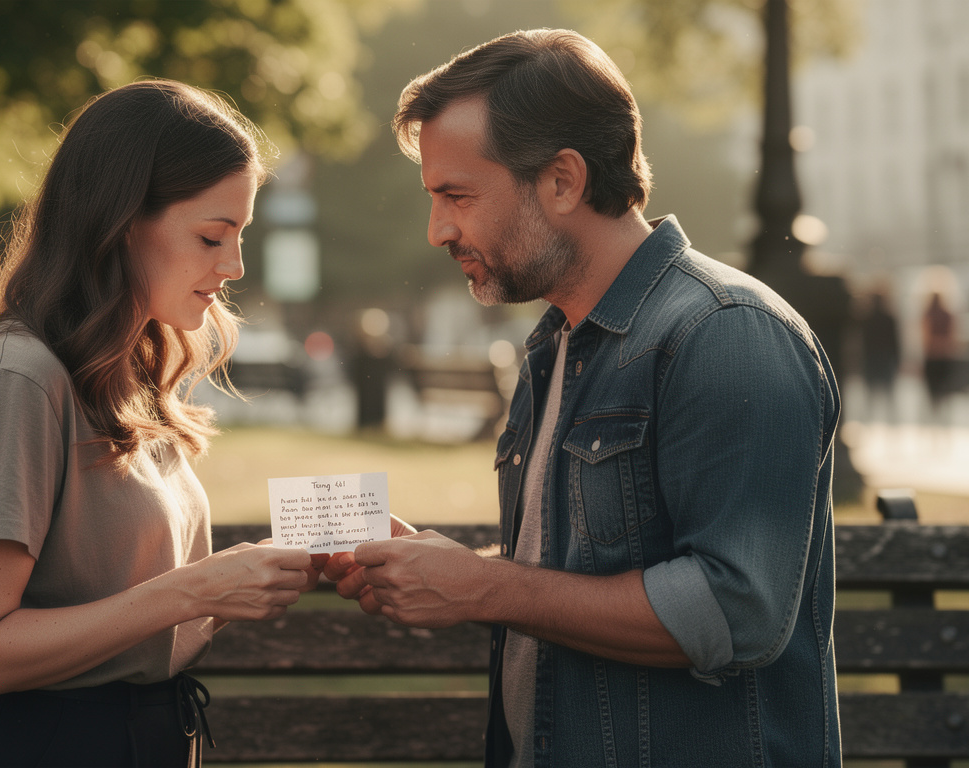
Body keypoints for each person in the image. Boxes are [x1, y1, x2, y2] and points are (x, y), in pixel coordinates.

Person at [323, 29, 842, 766]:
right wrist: (446, 571)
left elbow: (735, 612)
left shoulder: (726, 334)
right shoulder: (559, 343)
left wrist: (486, 589)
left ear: (563, 180)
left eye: (457, 195)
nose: (438, 229)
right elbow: (586, 567)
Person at [0, 80, 322, 768]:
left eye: (240, 236)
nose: (234, 266)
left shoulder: (125, 372)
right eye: (211, 236)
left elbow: (124, 607)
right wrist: (194, 589)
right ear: (120, 222)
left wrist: (253, 577)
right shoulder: (18, 379)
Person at [859, 287, 901, 423]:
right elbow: (895, 343)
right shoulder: (889, 318)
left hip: (870, 359)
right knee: (889, 397)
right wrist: (898, 361)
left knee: (870, 396)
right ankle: (891, 424)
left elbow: (861, 343)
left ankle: (869, 423)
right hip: (885, 360)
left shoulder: (865, 319)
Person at [921, 290, 958, 426]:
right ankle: (942, 425)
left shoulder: (928, 315)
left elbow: (925, 338)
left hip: (933, 359)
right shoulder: (947, 315)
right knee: (944, 397)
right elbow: (954, 338)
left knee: (933, 398)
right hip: (944, 359)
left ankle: (934, 424)